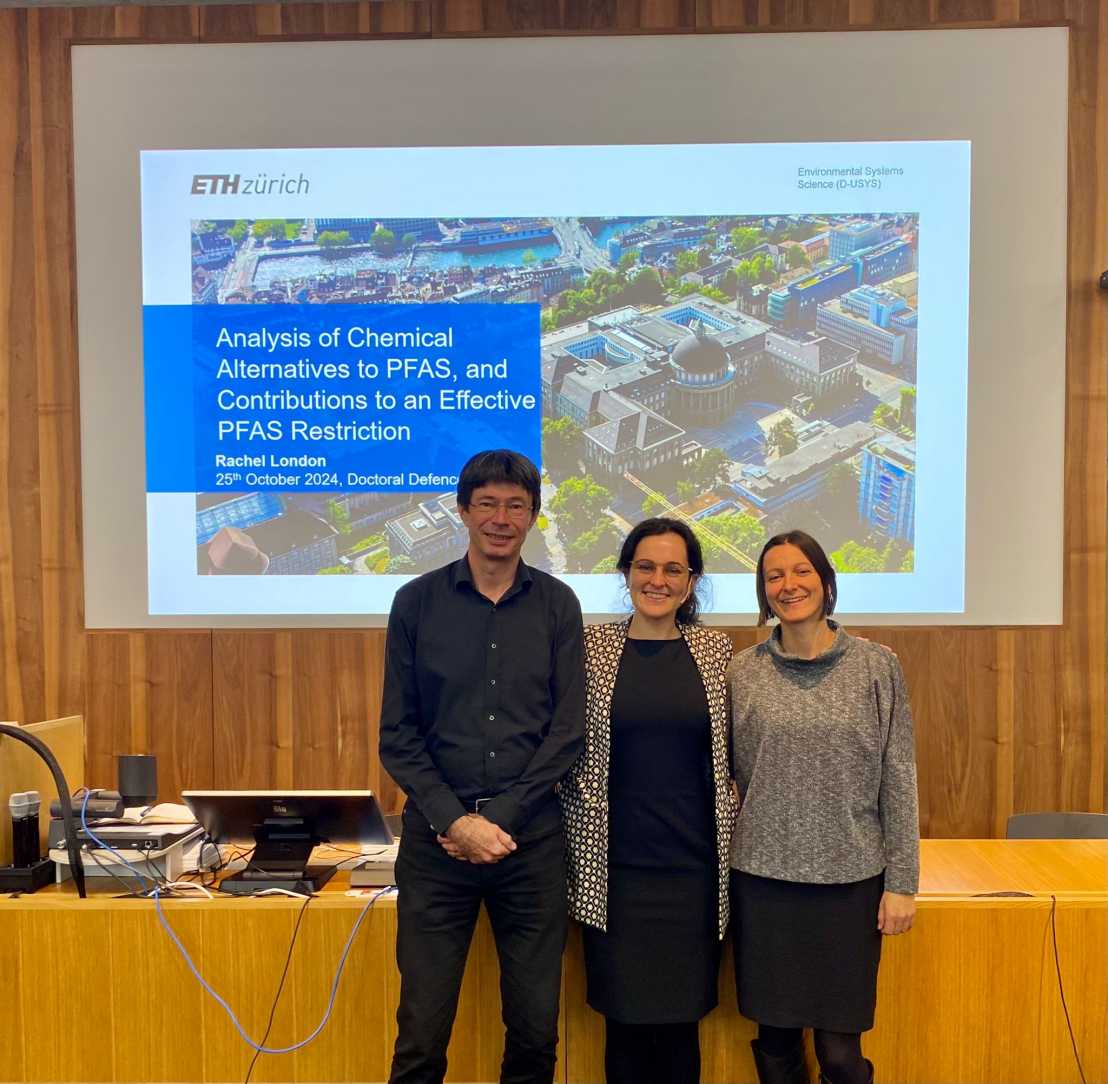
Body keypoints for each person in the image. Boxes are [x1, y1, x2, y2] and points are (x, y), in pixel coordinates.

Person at [379, 449, 585, 1084]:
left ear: (533, 517)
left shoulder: (558, 605)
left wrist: (499, 820)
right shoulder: (415, 603)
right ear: (463, 511)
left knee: (533, 1032)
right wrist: (456, 822)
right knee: (420, 1031)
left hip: (531, 848)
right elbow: (398, 735)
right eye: (488, 504)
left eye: (516, 506)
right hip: (435, 851)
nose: (501, 518)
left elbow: (566, 732)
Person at [728, 530, 919, 1084]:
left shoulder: (877, 666)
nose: (789, 585)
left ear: (825, 580)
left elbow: (899, 775)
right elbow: (726, 777)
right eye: (774, 576)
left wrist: (903, 882)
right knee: (776, 1043)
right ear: (764, 593)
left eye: (801, 571)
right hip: (764, 881)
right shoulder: (743, 672)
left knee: (840, 1055)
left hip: (850, 883)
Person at [560, 517, 738, 1084]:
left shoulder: (716, 651)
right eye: (645, 566)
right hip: (614, 876)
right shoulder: (591, 648)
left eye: (673, 569)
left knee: (683, 1030)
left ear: (691, 582)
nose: (657, 579)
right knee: (625, 1032)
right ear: (627, 573)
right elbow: (563, 751)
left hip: (694, 874)